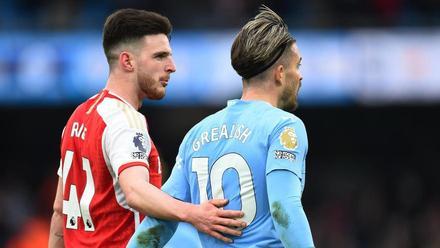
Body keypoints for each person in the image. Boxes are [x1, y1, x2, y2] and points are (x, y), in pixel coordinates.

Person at [48, 8, 246, 248]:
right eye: (160, 56)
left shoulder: (79, 117)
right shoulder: (124, 120)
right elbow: (135, 191)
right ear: (127, 61)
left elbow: (60, 210)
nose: (171, 66)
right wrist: (194, 214)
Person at [128, 5, 315, 248]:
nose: (300, 76)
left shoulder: (196, 134)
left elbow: (158, 224)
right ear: (280, 73)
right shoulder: (284, 127)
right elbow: (283, 209)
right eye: (297, 66)